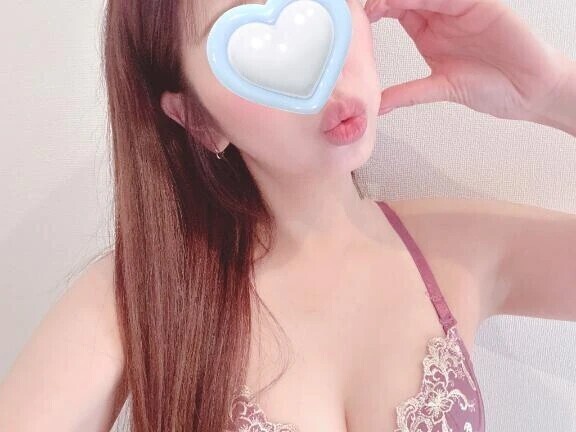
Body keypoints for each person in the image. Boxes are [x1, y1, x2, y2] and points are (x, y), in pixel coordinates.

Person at [0, 0, 574, 431]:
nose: (318, 70)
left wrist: (550, 90)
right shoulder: (137, 297)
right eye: (244, 39)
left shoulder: (460, 248)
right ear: (198, 119)